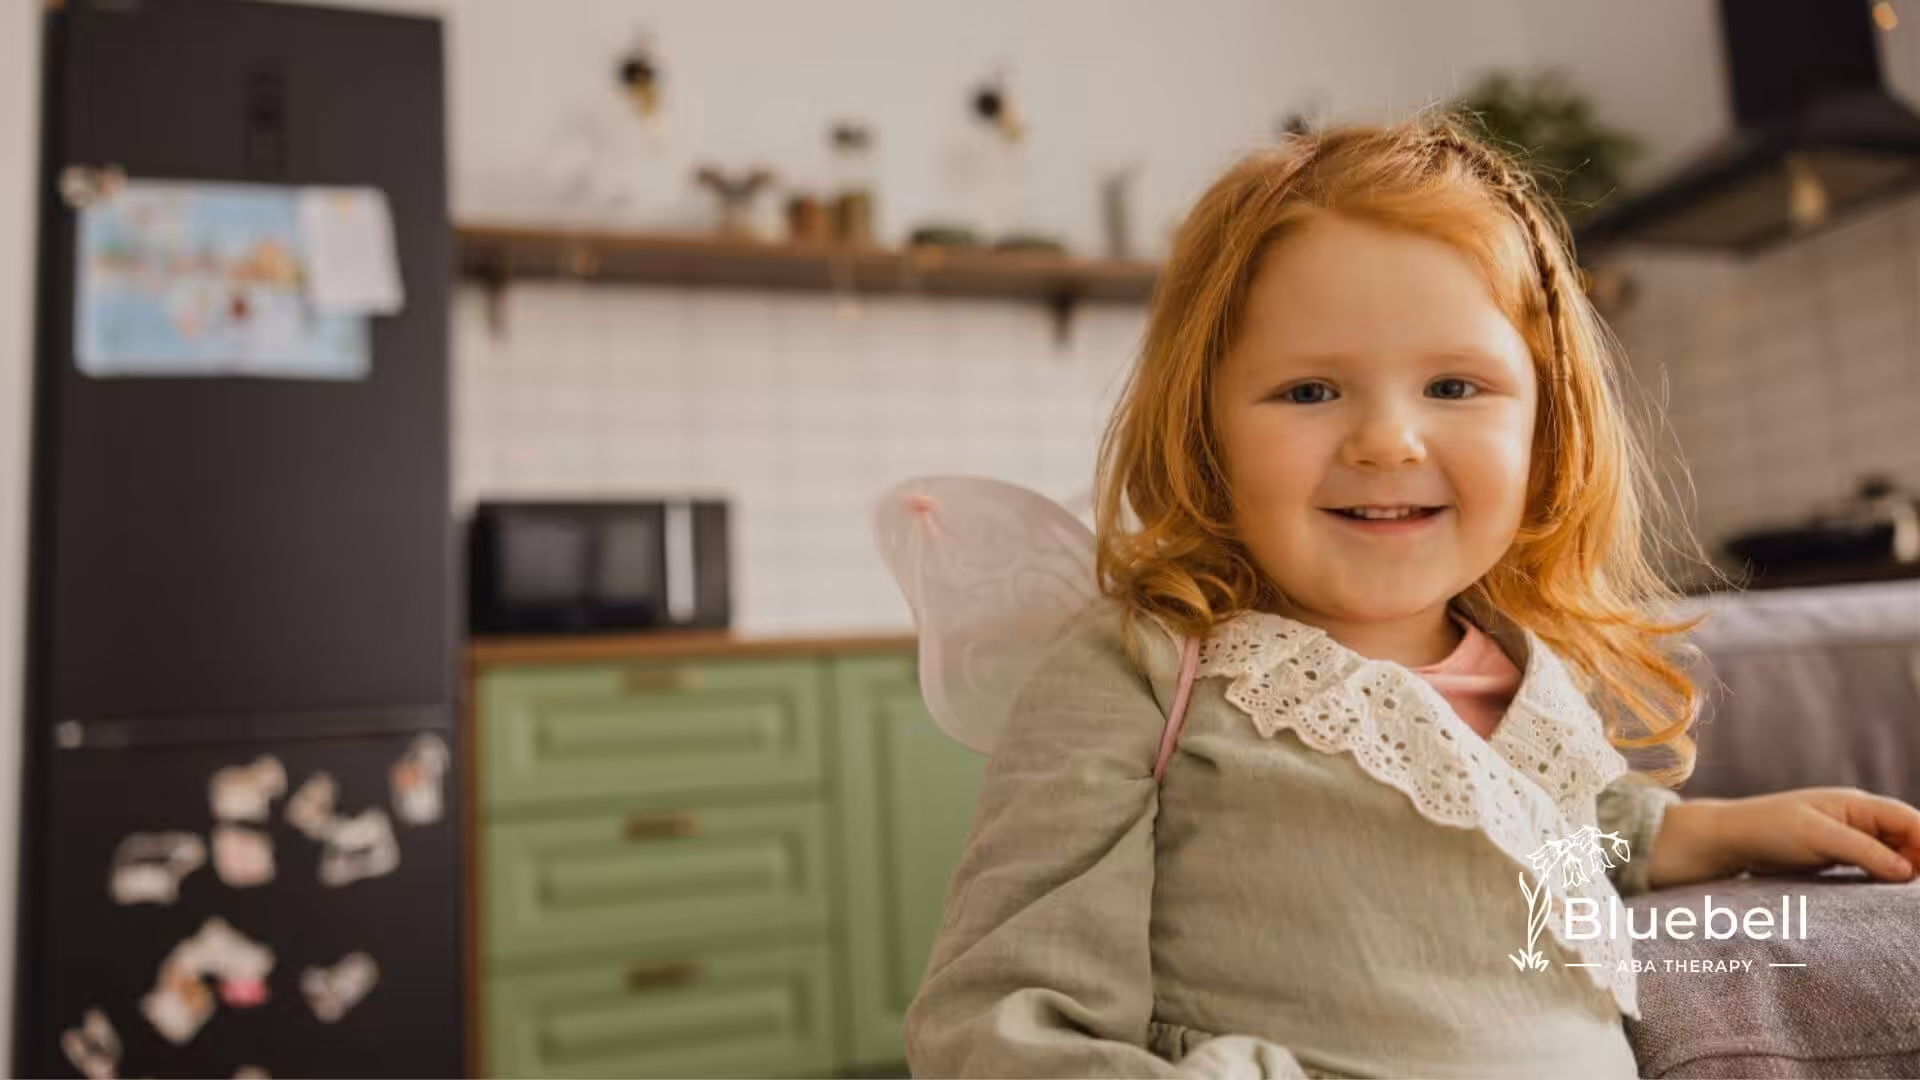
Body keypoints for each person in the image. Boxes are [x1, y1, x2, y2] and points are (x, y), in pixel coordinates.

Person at [899, 115, 1920, 1079]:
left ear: (1544, 428)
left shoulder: (1522, 665)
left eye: (1454, 387)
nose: (1388, 440)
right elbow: (999, 1023)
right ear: (1203, 430)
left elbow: (1551, 829)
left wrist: (1707, 832)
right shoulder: (1148, 668)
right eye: (1308, 391)